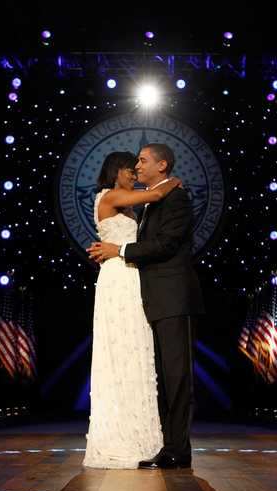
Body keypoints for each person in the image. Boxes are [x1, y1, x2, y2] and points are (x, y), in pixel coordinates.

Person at [87, 144, 204, 469]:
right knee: (155, 370)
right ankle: (164, 445)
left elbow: (165, 244)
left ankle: (176, 447)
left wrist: (119, 249)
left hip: (168, 294)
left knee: (175, 374)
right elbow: (149, 212)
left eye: (141, 161)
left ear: (162, 164)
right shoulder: (137, 198)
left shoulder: (174, 198)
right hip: (138, 290)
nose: (136, 168)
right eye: (132, 163)